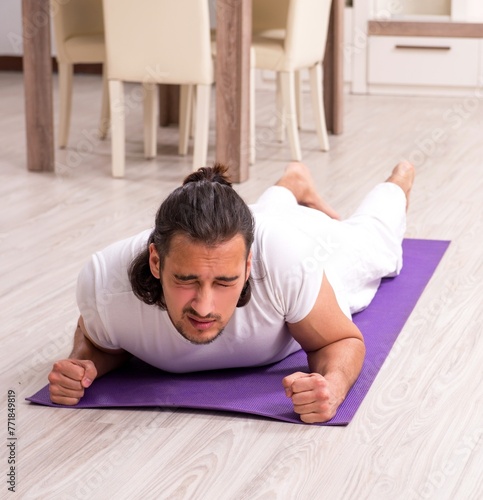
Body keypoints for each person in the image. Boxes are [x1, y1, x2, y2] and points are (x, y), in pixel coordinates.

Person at [48, 161, 415, 423]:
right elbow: (98, 339)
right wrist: (83, 361)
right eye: (186, 280)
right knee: (259, 217)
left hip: (306, 243)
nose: (204, 307)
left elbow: (339, 341)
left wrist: (332, 386)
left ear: (248, 266)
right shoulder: (105, 285)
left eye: (224, 282)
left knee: (374, 242)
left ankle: (399, 179)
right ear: (156, 262)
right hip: (252, 230)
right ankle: (291, 184)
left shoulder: (288, 263)